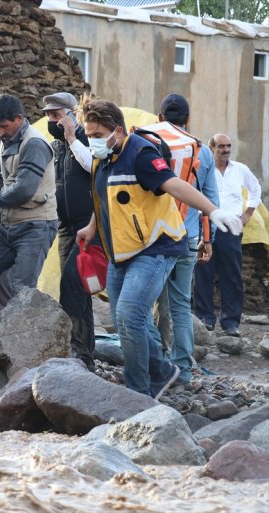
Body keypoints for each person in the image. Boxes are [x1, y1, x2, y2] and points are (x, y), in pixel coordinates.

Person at [75, 99, 241, 398]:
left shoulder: (141, 154)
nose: (92, 141)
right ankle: (162, 371)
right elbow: (104, 198)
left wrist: (212, 211)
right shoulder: (104, 158)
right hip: (121, 252)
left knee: (130, 314)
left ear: (117, 131)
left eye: (97, 135)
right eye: (89, 135)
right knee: (125, 322)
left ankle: (139, 391)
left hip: (155, 246)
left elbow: (174, 184)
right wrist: (91, 227)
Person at [149, 93, 219, 383]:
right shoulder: (201, 150)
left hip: (153, 239)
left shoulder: (147, 143)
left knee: (148, 301)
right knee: (179, 304)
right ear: (188, 119)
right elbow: (210, 200)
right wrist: (208, 239)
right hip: (187, 239)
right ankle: (183, 369)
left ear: (160, 118)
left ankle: (156, 362)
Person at [0, 94, 58, 316]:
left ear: (19, 118)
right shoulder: (4, 140)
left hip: (36, 224)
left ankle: (26, 337)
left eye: (4, 126)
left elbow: (23, 190)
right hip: (9, 224)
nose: (0, 132)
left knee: (22, 290)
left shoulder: (34, 143)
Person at [42, 92, 97, 370]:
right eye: (49, 116)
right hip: (65, 228)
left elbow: (93, 167)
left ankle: (80, 351)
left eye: (57, 115)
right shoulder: (55, 146)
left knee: (73, 285)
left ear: (73, 115)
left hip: (88, 226)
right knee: (78, 289)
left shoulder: (88, 139)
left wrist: (73, 137)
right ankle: (84, 351)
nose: (53, 120)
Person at [194, 133, 262, 337]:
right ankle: (205, 319)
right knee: (203, 273)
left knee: (231, 275)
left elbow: (255, 189)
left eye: (228, 146)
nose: (226, 150)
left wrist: (248, 214)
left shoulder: (240, 169)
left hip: (230, 229)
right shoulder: (202, 168)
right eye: (221, 146)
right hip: (205, 225)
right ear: (211, 148)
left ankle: (231, 322)